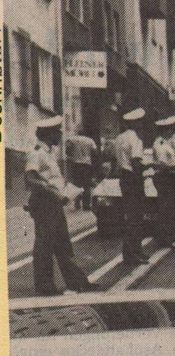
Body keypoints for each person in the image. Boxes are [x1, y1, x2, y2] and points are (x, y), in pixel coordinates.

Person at [23, 116, 100, 296]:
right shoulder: (37, 154)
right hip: (45, 204)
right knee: (45, 246)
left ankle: (77, 282)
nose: (60, 135)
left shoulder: (48, 153)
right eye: (57, 132)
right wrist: (56, 194)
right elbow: (31, 178)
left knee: (63, 244)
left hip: (53, 204)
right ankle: (45, 287)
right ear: (48, 134)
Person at [114, 108, 150, 264]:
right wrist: (146, 168)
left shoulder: (119, 138)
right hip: (133, 179)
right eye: (140, 121)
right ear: (136, 123)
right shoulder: (135, 139)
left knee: (129, 217)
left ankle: (132, 251)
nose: (142, 124)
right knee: (136, 217)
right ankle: (133, 252)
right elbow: (136, 162)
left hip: (124, 178)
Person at [152, 114, 175, 246]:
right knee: (165, 208)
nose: (171, 131)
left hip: (172, 176)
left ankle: (171, 235)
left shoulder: (169, 142)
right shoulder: (159, 144)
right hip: (164, 177)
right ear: (163, 130)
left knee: (172, 207)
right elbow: (164, 164)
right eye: (168, 129)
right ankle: (164, 238)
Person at [64, 131, 97, 210]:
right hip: (87, 164)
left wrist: (71, 155)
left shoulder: (73, 139)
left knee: (77, 184)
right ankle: (86, 205)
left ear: (78, 134)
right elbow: (95, 152)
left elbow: (67, 149)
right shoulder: (90, 140)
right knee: (87, 185)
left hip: (76, 164)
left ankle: (77, 203)